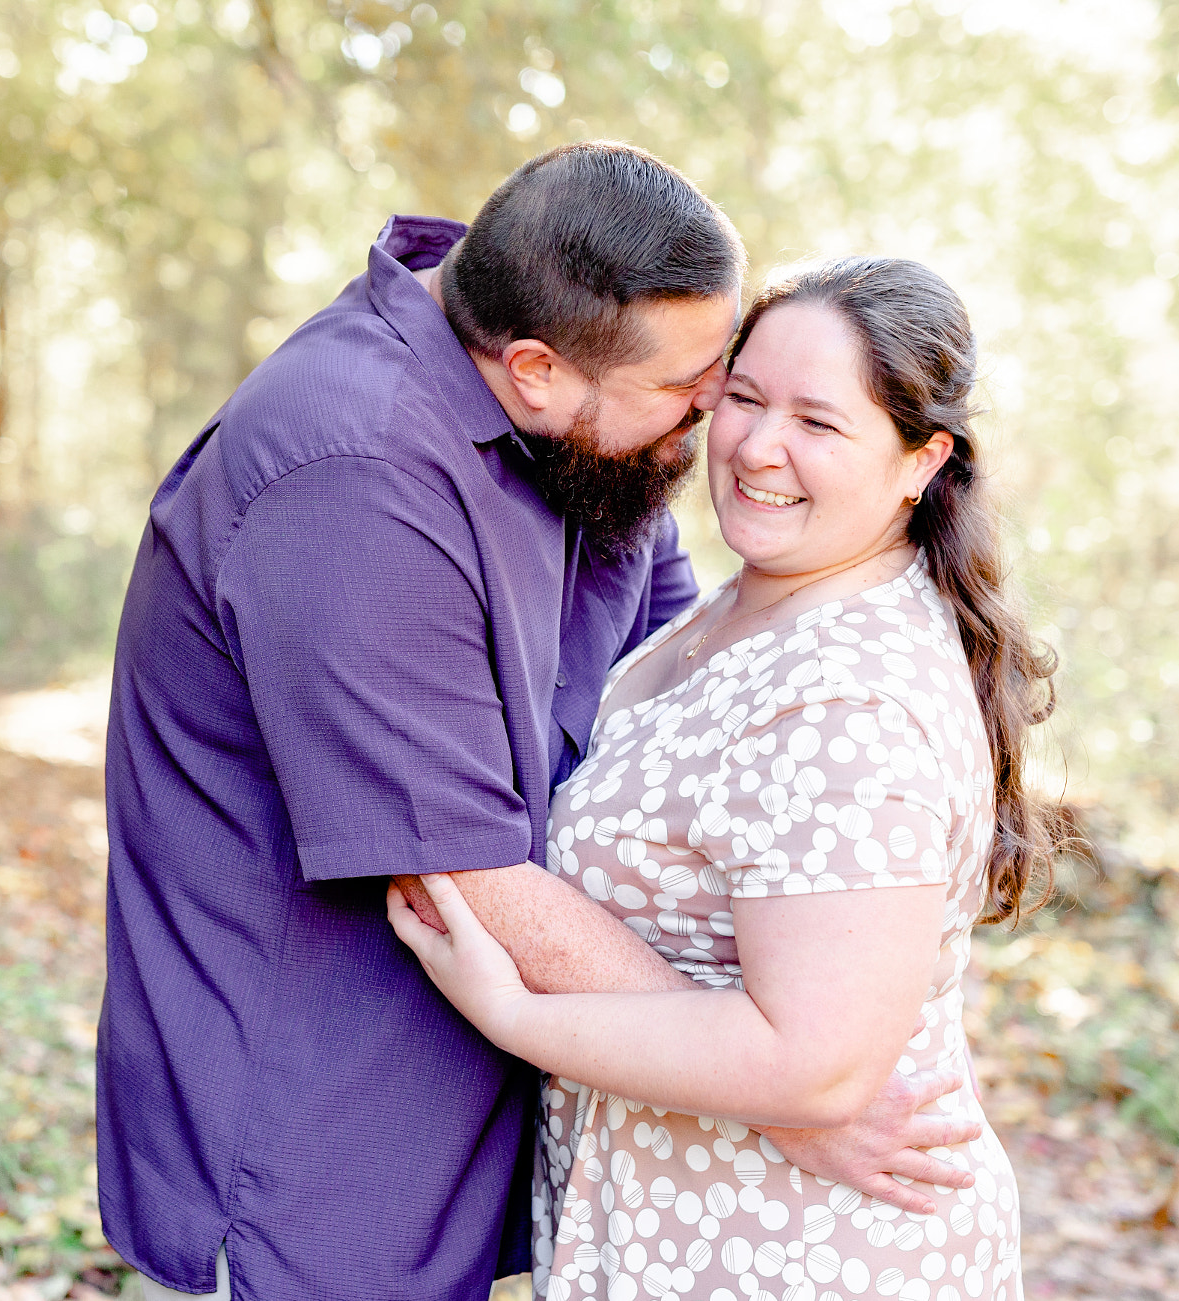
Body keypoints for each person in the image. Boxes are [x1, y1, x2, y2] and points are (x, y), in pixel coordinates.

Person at [100, 147, 981, 1301]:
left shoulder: (594, 438)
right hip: (318, 1161)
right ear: (531, 368)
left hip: (517, 1151)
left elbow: (672, 675)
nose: (714, 415)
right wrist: (789, 1097)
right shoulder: (353, 477)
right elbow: (458, 870)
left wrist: (799, 1051)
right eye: (699, 389)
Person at [390, 256, 1058, 1301]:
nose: (756, 446)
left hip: (803, 1256)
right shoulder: (753, 605)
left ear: (920, 460)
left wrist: (511, 1014)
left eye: (818, 423)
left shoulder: (847, 700)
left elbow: (815, 1068)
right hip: (689, 1228)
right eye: (741, 398)